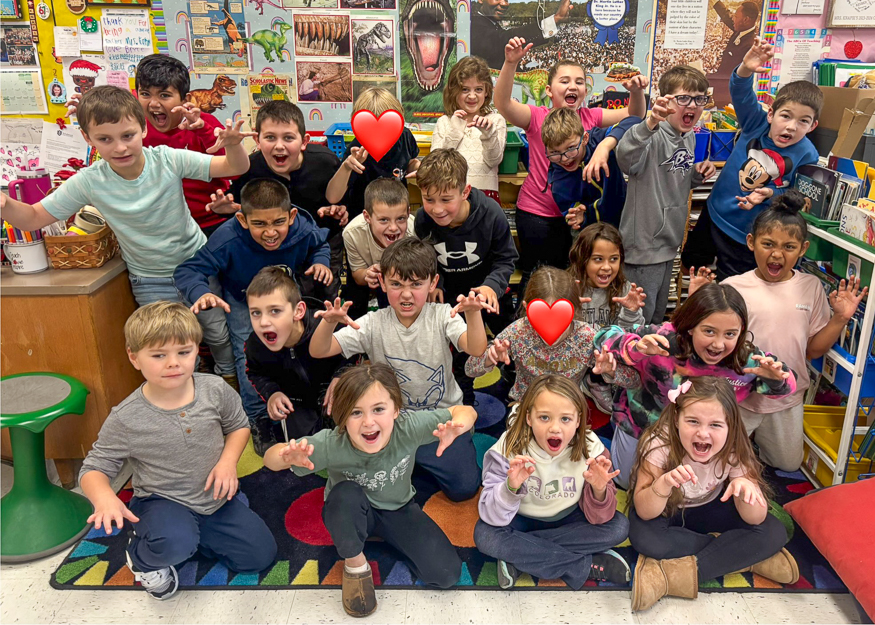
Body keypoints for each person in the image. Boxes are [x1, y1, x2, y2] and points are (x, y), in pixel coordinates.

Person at [79, 302, 277, 601]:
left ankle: (190, 537)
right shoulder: (125, 417)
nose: (173, 363)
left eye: (183, 352)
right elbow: (93, 467)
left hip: (213, 497)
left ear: (197, 350)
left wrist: (227, 463)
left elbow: (238, 426)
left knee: (259, 556)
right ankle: (143, 557)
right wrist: (104, 497)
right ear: (134, 357)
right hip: (161, 500)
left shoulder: (215, 389)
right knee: (174, 541)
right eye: (159, 355)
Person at [0, 85, 251, 307]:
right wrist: (5, 203)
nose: (120, 147)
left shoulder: (168, 159)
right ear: (88, 138)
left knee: (217, 339)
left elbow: (235, 167)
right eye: (105, 139)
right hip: (149, 280)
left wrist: (232, 144)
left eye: (127, 136)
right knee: (167, 347)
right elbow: (32, 218)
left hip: (198, 266)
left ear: (143, 129)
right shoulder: (89, 181)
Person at [263, 363, 476, 616]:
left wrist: (459, 426)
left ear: (396, 410)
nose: (368, 422)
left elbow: (465, 410)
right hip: (351, 510)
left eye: (378, 409)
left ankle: (378, 535)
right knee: (343, 495)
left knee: (446, 574)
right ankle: (355, 563)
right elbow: (270, 457)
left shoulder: (409, 426)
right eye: (355, 413)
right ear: (341, 417)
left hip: (398, 508)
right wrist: (287, 457)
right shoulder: (333, 443)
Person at [691, 191, 867, 471]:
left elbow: (813, 350)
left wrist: (840, 318)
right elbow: (709, 342)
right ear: (751, 243)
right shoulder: (734, 287)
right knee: (714, 462)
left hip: (786, 397)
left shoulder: (810, 287)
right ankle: (741, 448)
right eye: (768, 244)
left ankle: (753, 447)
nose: (776, 254)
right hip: (739, 395)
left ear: (803, 249)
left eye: (788, 247)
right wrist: (697, 303)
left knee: (788, 464)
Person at [308, 237, 489, 502]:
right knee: (368, 487)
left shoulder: (442, 315)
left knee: (464, 489)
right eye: (396, 284)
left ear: (432, 284)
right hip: (390, 425)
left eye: (416, 284)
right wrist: (328, 324)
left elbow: (475, 348)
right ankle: (407, 463)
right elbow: (319, 351)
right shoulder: (373, 322)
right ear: (382, 283)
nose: (406, 294)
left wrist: (473, 315)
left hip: (442, 420)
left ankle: (415, 462)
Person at [173, 178, 332, 442]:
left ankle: (304, 404)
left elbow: (320, 245)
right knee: (246, 355)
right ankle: (258, 418)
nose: (270, 232)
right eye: (259, 224)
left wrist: (321, 262)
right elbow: (188, 270)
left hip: (287, 300)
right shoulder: (227, 238)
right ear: (243, 220)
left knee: (301, 348)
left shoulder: (303, 228)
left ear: (291, 216)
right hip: (242, 302)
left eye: (278, 222)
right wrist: (202, 293)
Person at [594, 282, 797, 488]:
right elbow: (603, 337)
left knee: (697, 491)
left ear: (741, 331)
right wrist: (636, 348)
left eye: (729, 334)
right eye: (709, 331)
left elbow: (787, 386)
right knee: (629, 483)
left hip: (701, 437)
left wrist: (775, 379)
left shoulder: (745, 360)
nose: (718, 344)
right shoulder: (665, 339)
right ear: (691, 327)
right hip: (644, 426)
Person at [628, 377, 798, 611]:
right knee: (645, 538)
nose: (703, 433)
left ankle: (672, 578)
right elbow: (645, 512)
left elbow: (756, 519)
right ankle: (746, 558)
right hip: (668, 510)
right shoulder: (660, 443)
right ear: (676, 420)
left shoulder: (734, 445)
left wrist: (744, 487)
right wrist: (663, 485)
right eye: (693, 421)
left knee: (773, 531)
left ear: (730, 427)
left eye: (715, 425)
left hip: (710, 506)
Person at [495, 37, 647, 292]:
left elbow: (634, 116)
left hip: (579, 216)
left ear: (586, 90)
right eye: (564, 81)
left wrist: (636, 91)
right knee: (538, 278)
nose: (571, 86)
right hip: (538, 215)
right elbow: (503, 104)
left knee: (571, 279)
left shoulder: (591, 117)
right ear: (549, 90)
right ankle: (527, 326)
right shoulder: (537, 116)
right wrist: (510, 63)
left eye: (578, 81)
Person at [682, 38, 821, 280]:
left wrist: (771, 194)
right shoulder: (755, 123)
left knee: (734, 288)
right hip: (715, 215)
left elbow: (801, 199)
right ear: (771, 114)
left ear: (813, 126)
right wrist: (746, 67)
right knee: (691, 269)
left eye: (803, 121)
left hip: (748, 236)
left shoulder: (807, 154)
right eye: (785, 116)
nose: (791, 127)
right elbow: (740, 91)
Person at [475, 374, 631, 589]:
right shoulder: (508, 448)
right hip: (518, 518)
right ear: (529, 418)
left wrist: (598, 490)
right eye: (544, 418)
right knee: (485, 536)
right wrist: (510, 487)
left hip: (567, 517)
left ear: (578, 420)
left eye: (565, 419)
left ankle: (522, 555)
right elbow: (490, 513)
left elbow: (600, 518)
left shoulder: (592, 448)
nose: (555, 428)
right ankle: (582, 566)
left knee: (619, 527)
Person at [66, 54, 232, 236]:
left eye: (164, 95)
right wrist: (92, 114)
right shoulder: (132, 132)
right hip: (155, 231)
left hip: (210, 223)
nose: (154, 103)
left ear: (185, 99)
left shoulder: (203, 123)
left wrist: (204, 131)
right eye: (145, 94)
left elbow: (235, 170)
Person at [207, 101, 349, 301]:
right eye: (270, 137)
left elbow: (342, 197)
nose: (279, 146)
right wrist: (224, 209)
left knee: (324, 293)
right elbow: (239, 206)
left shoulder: (325, 161)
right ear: (257, 139)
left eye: (288, 137)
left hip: (322, 242)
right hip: (276, 248)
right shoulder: (249, 168)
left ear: (304, 141)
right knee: (281, 298)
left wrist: (340, 210)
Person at [414, 148, 519, 404]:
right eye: (428, 199)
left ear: (465, 191)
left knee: (511, 345)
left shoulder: (491, 213)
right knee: (461, 356)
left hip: (491, 296)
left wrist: (491, 286)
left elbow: (506, 258)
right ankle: (465, 402)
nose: (437, 209)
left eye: (446, 199)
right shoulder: (422, 220)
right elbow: (426, 256)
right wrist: (434, 278)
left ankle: (515, 387)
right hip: (454, 299)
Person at [616, 65, 716, 324]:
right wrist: (649, 123)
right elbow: (626, 159)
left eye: (699, 98)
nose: (692, 105)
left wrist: (696, 174)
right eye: (684, 98)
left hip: (669, 244)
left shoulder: (689, 136)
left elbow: (676, 180)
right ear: (666, 99)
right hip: (643, 246)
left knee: (658, 316)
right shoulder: (652, 134)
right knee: (638, 318)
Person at [466, 266, 639, 404]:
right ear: (527, 308)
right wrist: (490, 357)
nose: (551, 327)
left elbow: (634, 380)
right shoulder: (518, 332)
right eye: (542, 316)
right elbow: (470, 369)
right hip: (526, 406)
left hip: (568, 408)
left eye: (560, 316)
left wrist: (610, 371)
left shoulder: (586, 336)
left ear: (575, 309)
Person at [244, 266, 356, 454]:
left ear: (298, 311)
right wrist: (272, 393)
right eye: (256, 313)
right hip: (296, 401)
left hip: (331, 393)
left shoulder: (324, 326)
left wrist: (341, 377)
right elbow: (255, 373)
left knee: (352, 438)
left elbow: (354, 353)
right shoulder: (255, 345)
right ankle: (265, 422)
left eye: (274, 311)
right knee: (302, 449)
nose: (263, 322)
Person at [325, 87, 421, 222]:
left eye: (388, 128)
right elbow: (332, 197)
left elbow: (409, 162)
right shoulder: (356, 150)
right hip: (364, 219)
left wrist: (419, 167)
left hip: (397, 217)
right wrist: (347, 167)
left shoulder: (405, 137)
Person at [542, 107, 639, 230]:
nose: (565, 159)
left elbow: (635, 121)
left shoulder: (596, 139)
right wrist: (581, 217)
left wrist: (604, 146)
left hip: (626, 220)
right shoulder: (558, 181)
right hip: (593, 230)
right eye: (555, 152)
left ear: (585, 139)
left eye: (571, 148)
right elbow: (572, 213)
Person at [431, 56, 507, 202]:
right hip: (450, 194)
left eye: (478, 89)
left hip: (486, 196)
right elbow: (437, 165)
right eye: (465, 89)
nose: (472, 96)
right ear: (454, 91)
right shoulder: (444, 122)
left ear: (486, 91)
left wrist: (488, 134)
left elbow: (493, 161)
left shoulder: (495, 120)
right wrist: (455, 130)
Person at [342, 177, 416, 319]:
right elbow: (357, 274)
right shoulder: (352, 233)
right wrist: (367, 274)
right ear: (367, 216)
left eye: (401, 218)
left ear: (408, 212)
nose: (393, 228)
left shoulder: (415, 230)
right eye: (384, 220)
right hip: (374, 282)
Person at [568, 222, 645, 330]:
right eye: (598, 259)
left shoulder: (625, 291)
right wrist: (568, 310)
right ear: (582, 259)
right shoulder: (568, 289)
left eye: (614, 259)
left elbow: (632, 336)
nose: (606, 267)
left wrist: (630, 312)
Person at [470, 0, 572, 69]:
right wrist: (555, 19)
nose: (505, 4)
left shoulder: (491, 24)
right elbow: (503, 40)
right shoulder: (473, 25)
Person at [709, 0, 760, 108]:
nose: (733, 18)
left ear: (746, 20)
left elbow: (735, 76)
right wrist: (716, 2)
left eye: (736, 16)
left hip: (727, 96)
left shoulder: (750, 45)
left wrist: (708, 78)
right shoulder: (742, 30)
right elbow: (727, 16)